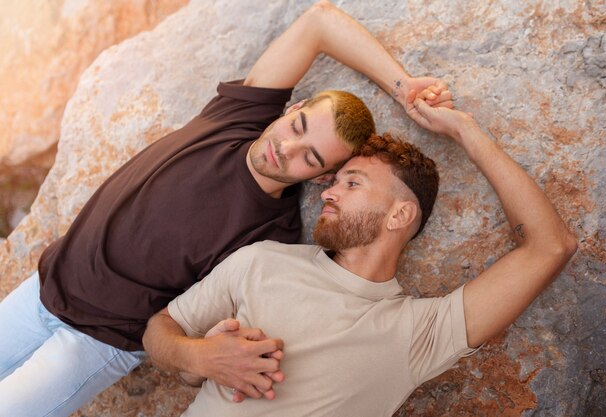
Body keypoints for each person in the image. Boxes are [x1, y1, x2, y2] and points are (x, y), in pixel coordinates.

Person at [0, 2, 454, 416]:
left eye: (310, 157)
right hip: (42, 287)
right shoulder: (238, 116)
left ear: (320, 178)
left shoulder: (271, 236)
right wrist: (403, 86)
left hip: (96, 342)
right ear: (290, 108)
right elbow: (319, 22)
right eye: (296, 126)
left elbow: (204, 326)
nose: (286, 148)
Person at [143, 98, 578, 416]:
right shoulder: (262, 261)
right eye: (334, 181)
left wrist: (465, 130)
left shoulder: (418, 333)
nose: (328, 191)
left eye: (352, 184)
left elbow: (551, 246)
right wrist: (200, 359)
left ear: (400, 214)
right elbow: (158, 332)